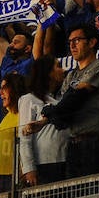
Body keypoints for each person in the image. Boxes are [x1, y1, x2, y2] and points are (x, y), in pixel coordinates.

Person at [36, 25, 99, 178]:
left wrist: (51, 113)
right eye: (70, 41)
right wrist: (45, 120)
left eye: (77, 40)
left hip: (96, 140)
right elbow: (64, 107)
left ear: (92, 42)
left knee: (95, 191)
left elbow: (77, 97)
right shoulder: (71, 75)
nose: (72, 45)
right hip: (73, 143)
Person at [18, 56, 68, 185]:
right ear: (47, 73)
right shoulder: (29, 99)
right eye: (58, 66)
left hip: (66, 160)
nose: (63, 70)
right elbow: (24, 137)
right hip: (44, 165)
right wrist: (29, 169)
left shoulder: (62, 99)